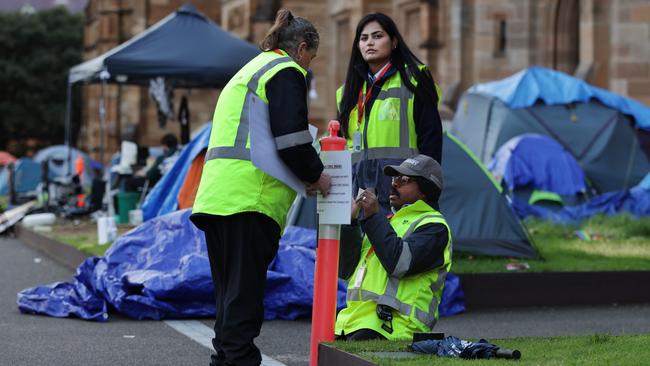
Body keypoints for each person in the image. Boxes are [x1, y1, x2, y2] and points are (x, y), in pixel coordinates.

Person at [190, 9, 331, 366]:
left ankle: (225, 360)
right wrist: (317, 175)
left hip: (218, 197)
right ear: (301, 48)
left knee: (229, 298)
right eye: (310, 59)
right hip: (251, 200)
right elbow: (293, 139)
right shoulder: (286, 71)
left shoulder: (250, 69)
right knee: (244, 299)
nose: (308, 68)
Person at [335, 154, 452, 341]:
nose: (394, 184)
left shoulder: (435, 226)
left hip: (396, 327)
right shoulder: (389, 221)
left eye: (403, 179)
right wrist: (350, 224)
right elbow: (346, 269)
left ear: (425, 190)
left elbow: (399, 263)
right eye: (394, 178)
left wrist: (374, 216)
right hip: (353, 321)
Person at [336, 13, 443, 213]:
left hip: (401, 191)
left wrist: (424, 190)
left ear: (393, 42)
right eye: (364, 38)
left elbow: (432, 141)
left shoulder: (414, 79)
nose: (370, 43)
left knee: (395, 244)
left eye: (377, 36)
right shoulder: (346, 92)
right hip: (358, 194)